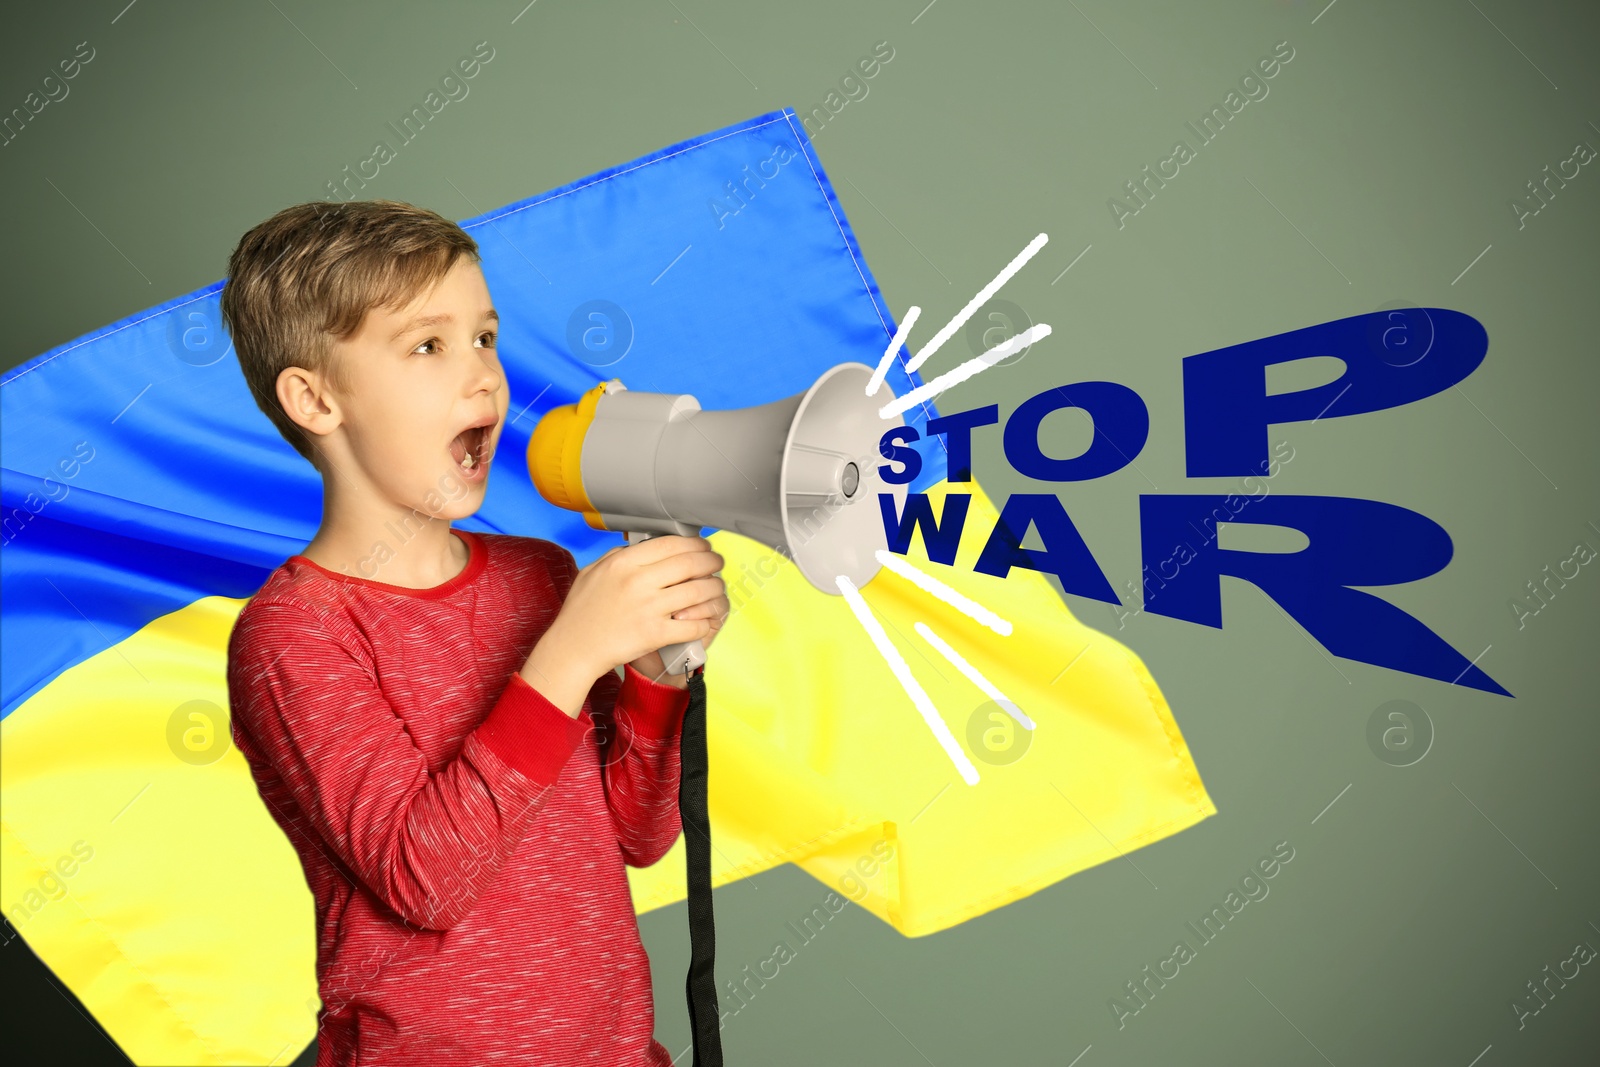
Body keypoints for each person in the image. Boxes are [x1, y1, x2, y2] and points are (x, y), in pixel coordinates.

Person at [220, 198, 727, 1066]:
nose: (485, 378)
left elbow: (637, 836)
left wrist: (653, 671)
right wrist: (567, 656)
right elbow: (428, 878)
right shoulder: (294, 635)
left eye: (485, 337)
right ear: (314, 398)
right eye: (429, 345)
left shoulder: (537, 576)